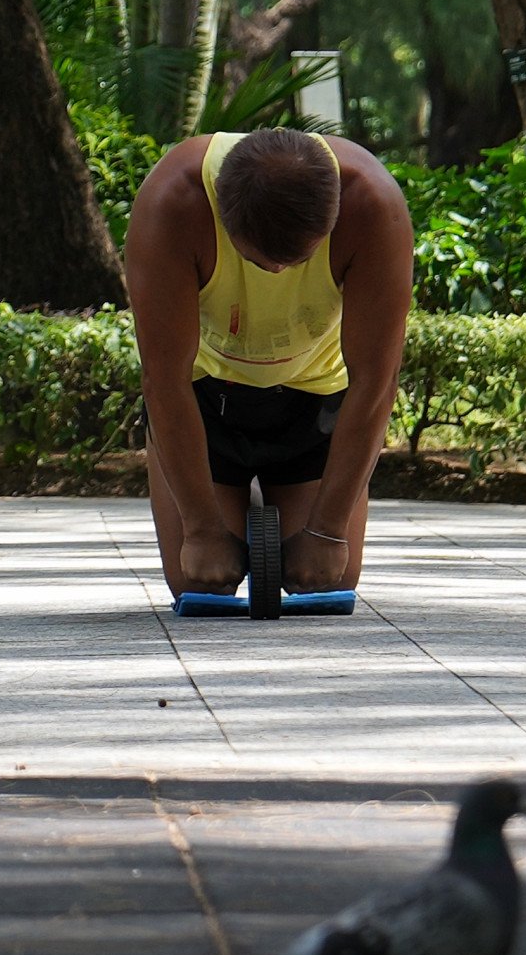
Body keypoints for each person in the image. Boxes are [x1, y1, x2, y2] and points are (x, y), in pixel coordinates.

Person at [120, 126, 413, 600]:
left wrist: (327, 531)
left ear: (334, 218)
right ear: (223, 217)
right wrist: (200, 528)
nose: (278, 272)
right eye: (259, 261)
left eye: (299, 259)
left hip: (313, 400)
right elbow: (163, 380)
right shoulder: (174, 202)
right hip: (205, 399)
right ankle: (231, 506)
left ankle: (266, 507)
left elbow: (376, 381)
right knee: (199, 582)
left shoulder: (373, 205)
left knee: (327, 580)